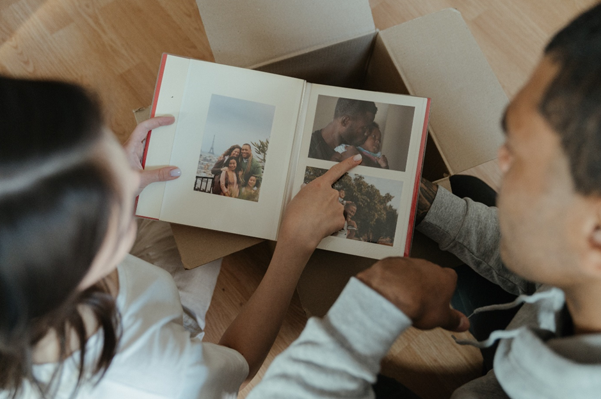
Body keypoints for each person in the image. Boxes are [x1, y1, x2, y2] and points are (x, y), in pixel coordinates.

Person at [247, 4, 601, 398]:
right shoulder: (580, 267)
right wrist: (431, 205)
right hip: (529, 327)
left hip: (512, 368)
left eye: (522, 156)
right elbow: (548, 268)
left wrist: (369, 310)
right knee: (465, 189)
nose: (501, 159)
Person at [0, 75, 364, 398]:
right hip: (167, 332)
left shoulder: (29, 277)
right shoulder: (163, 380)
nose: (127, 173)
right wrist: (294, 247)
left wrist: (104, 184)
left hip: (139, 292)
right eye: (107, 191)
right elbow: (237, 362)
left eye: (99, 142)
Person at [309, 98, 377, 162]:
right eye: (364, 127)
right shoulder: (309, 150)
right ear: (345, 121)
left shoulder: (356, 151)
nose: (367, 133)